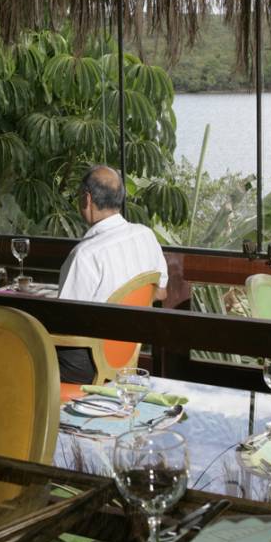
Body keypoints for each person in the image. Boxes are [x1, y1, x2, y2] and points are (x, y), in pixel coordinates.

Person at [56, 164, 169, 383]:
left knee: (15, 352)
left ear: (86, 199)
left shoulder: (85, 255)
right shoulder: (146, 236)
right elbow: (160, 293)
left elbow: (65, 323)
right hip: (125, 354)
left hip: (89, 365)